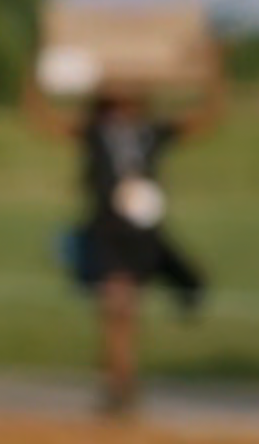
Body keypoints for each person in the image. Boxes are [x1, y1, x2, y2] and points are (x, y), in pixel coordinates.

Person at [29, 46, 226, 418]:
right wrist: (35, 74)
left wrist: (215, 70)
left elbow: (208, 117)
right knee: (117, 306)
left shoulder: (152, 131)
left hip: (143, 233)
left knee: (127, 311)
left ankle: (121, 381)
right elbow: (42, 120)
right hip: (106, 230)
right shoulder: (94, 130)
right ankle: (119, 383)